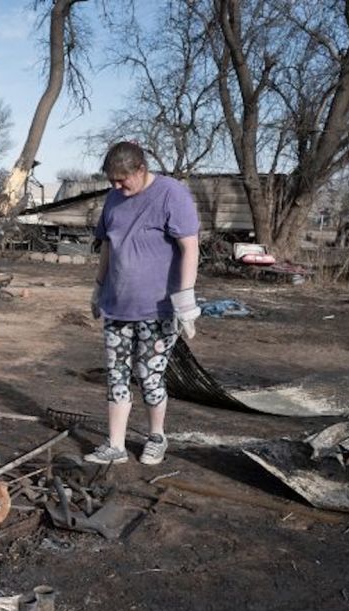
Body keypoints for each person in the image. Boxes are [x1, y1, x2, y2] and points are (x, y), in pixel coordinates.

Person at [85, 141, 200, 466]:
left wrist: (186, 298)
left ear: (141, 169)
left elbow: (189, 247)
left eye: (123, 180)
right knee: (116, 376)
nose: (117, 186)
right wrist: (97, 287)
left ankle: (156, 437)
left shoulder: (171, 194)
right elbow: (108, 245)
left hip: (157, 309)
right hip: (116, 306)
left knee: (150, 377)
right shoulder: (113, 199)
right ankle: (116, 446)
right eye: (112, 181)